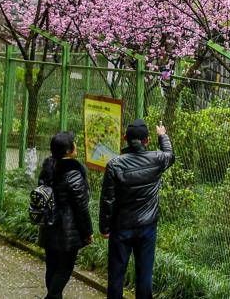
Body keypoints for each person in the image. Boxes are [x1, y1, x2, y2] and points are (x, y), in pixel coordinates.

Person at [99, 120, 174, 299]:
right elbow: (170, 155)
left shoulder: (114, 164)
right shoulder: (156, 159)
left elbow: (107, 199)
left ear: (125, 138)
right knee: (144, 274)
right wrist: (163, 135)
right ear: (147, 140)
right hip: (147, 227)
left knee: (116, 274)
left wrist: (104, 228)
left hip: (121, 227)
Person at [39, 132, 92, 299]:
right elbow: (81, 206)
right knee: (65, 268)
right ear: (69, 150)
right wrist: (87, 231)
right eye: (74, 144)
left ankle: (54, 295)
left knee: (52, 265)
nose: (76, 146)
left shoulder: (48, 168)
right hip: (67, 231)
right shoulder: (74, 172)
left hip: (48, 225)